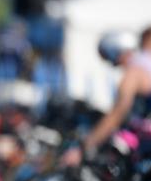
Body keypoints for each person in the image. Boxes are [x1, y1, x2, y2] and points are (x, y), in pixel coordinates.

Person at [62, 27, 151, 165]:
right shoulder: (145, 61)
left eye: (111, 60)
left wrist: (84, 147)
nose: (114, 66)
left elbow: (117, 115)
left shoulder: (133, 74)